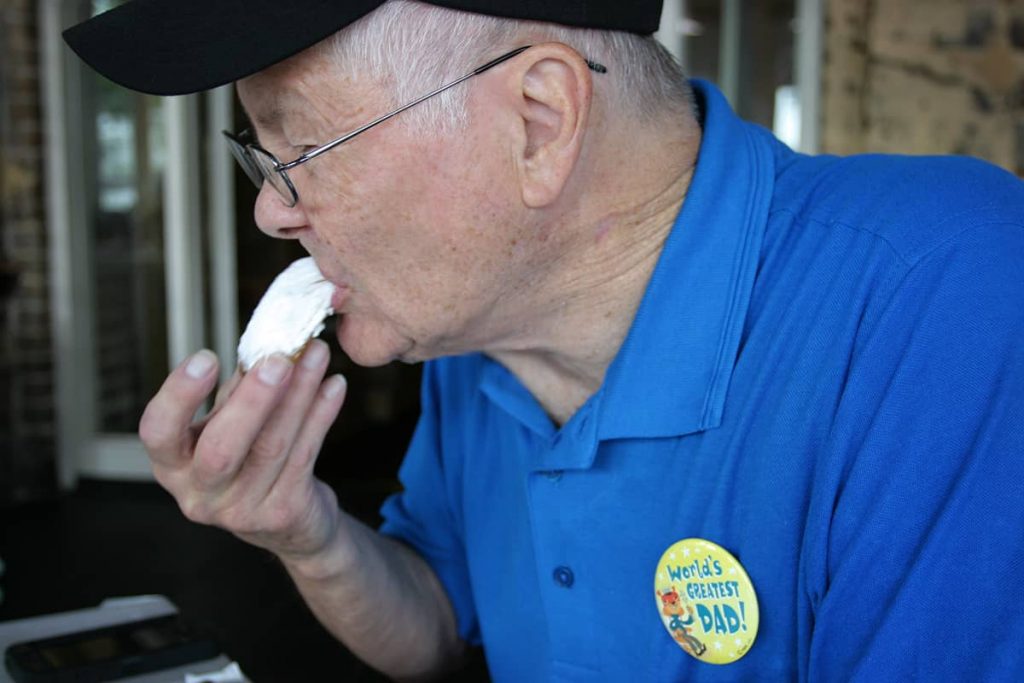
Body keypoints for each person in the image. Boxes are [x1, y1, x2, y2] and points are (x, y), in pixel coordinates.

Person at [65, 1, 1024, 680]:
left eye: (298, 152)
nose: (274, 209)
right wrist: (306, 537)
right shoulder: (472, 331)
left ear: (539, 123)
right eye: (260, 157)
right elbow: (441, 622)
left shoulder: (947, 293)